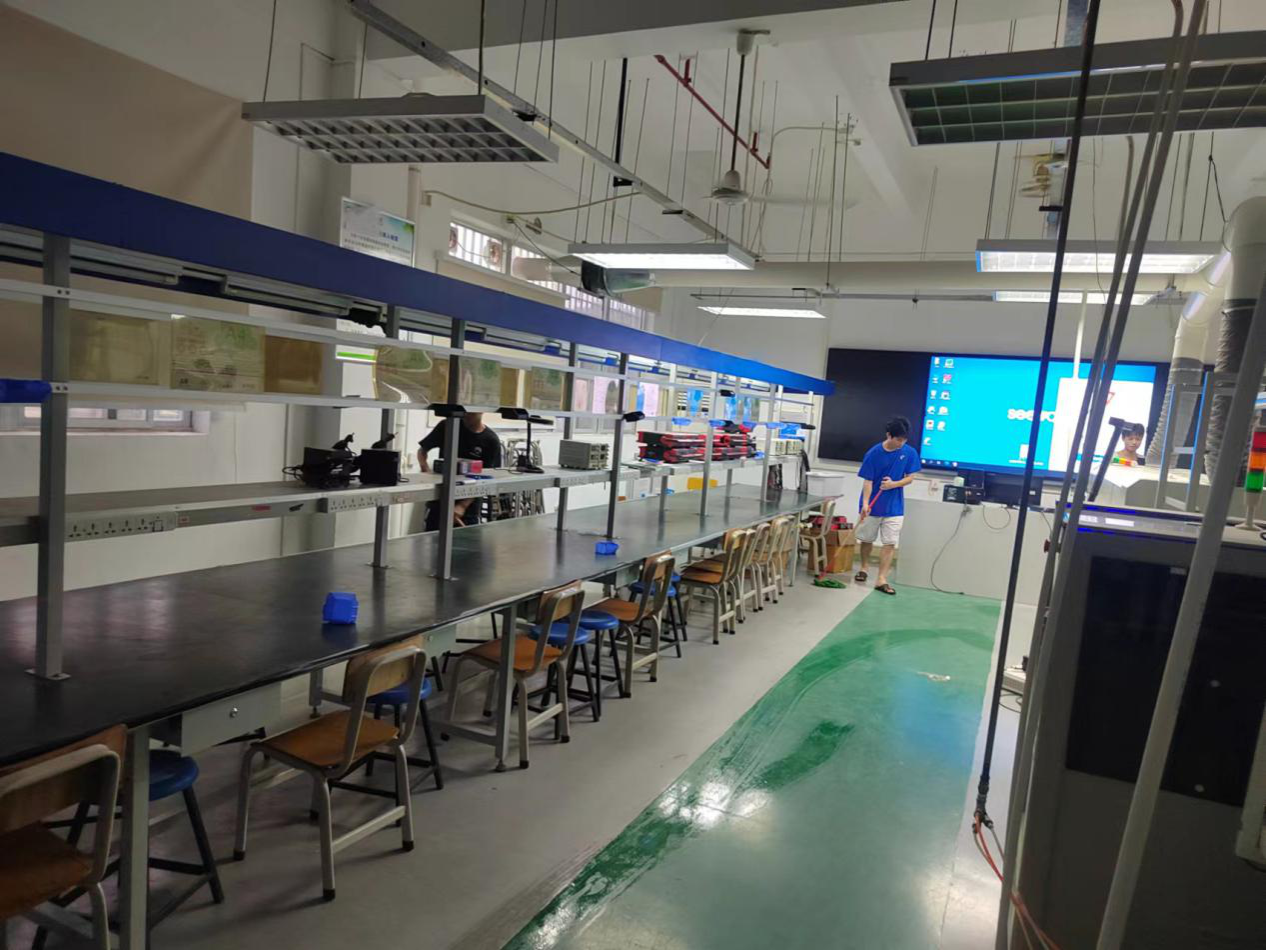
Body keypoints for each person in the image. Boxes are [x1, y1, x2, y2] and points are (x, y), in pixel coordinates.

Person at [853, 416, 921, 596]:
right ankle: (864, 568)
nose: (902, 443)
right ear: (889, 435)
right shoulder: (873, 453)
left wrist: (893, 484)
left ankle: (881, 579)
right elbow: (868, 481)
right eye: (898, 439)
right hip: (872, 505)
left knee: (890, 543)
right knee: (866, 539)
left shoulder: (909, 452)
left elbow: (910, 478)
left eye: (904, 439)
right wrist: (865, 504)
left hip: (895, 507)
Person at [417, 413, 503, 531]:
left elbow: (487, 478)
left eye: (471, 411)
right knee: (432, 539)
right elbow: (422, 451)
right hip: (440, 500)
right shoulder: (447, 426)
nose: (466, 414)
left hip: (469, 507)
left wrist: (462, 505)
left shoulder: (490, 440)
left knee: (465, 540)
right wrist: (425, 470)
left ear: (482, 411)